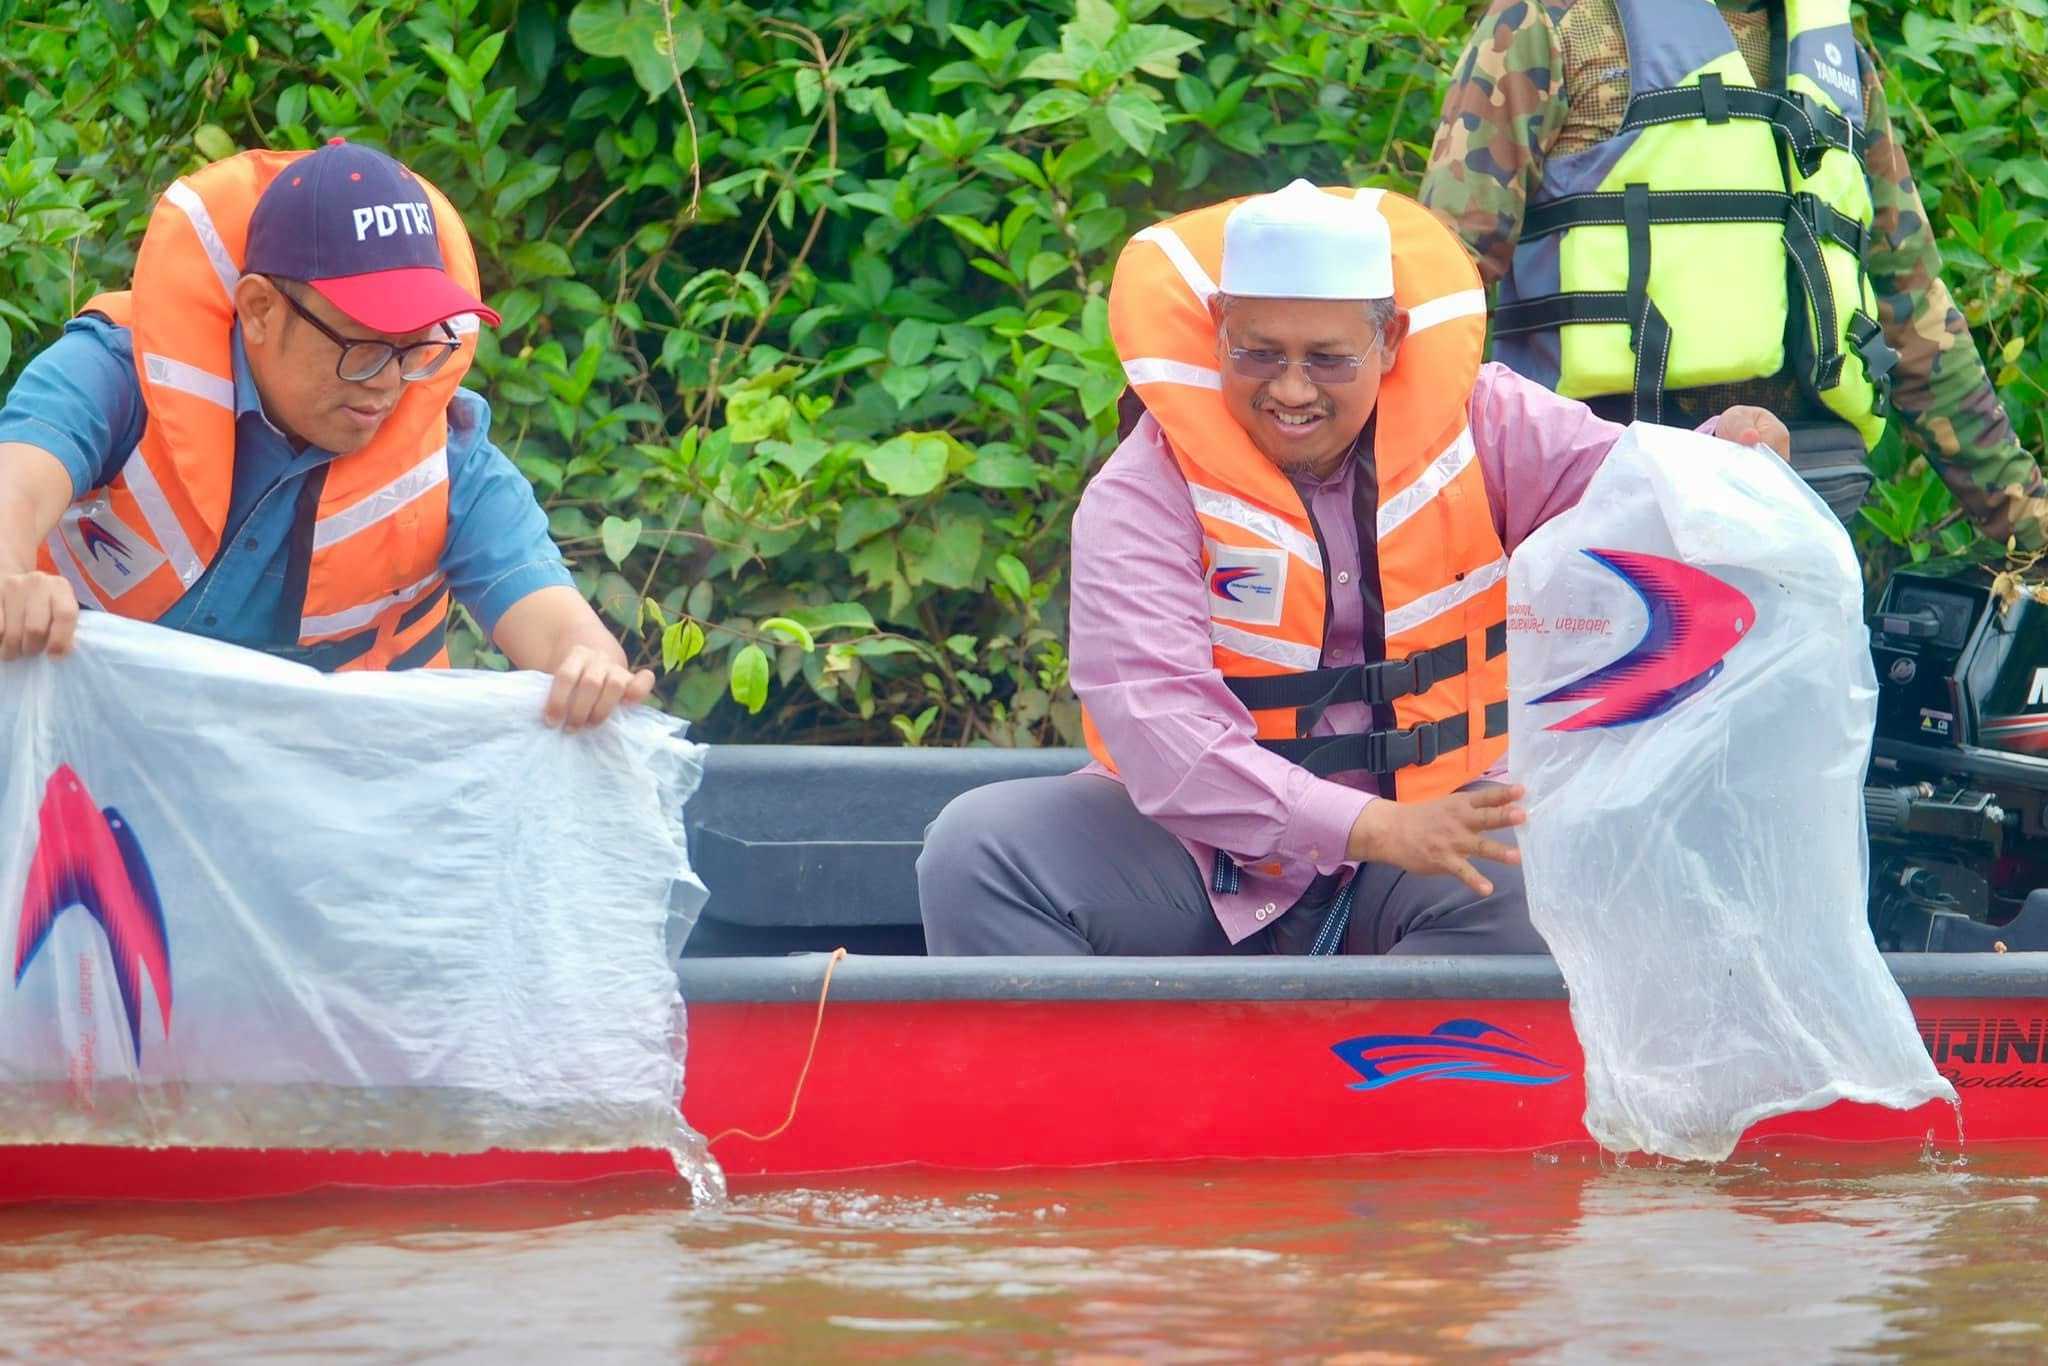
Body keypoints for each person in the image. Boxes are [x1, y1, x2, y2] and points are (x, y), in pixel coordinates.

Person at [916, 179, 1789, 956]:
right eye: (1258, 352)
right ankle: (1112, 1109)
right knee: (980, 851)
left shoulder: (1487, 421)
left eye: (1328, 360)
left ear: (1391, 339)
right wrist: (1372, 826)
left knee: (1542, 886)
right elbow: (1164, 740)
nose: (1291, 391)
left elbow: (1634, 486)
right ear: (1217, 328)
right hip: (1203, 861)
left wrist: (1726, 454)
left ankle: (1400, 1097)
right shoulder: (1141, 488)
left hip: (1438, 826)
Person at [0, 138, 652, 731]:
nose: (389, 383)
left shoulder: (448, 456)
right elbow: (15, 489)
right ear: (258, 310)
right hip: (77, 770)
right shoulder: (115, 374)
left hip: (320, 813)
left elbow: (565, 630)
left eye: (415, 347)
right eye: (363, 345)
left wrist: (590, 668)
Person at [1417, 0, 2048, 546]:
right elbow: (1439, 295)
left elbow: (1915, 316)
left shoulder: (1840, 64)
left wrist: (2032, 528)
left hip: (1806, 501)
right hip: (1603, 499)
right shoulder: (1551, 23)